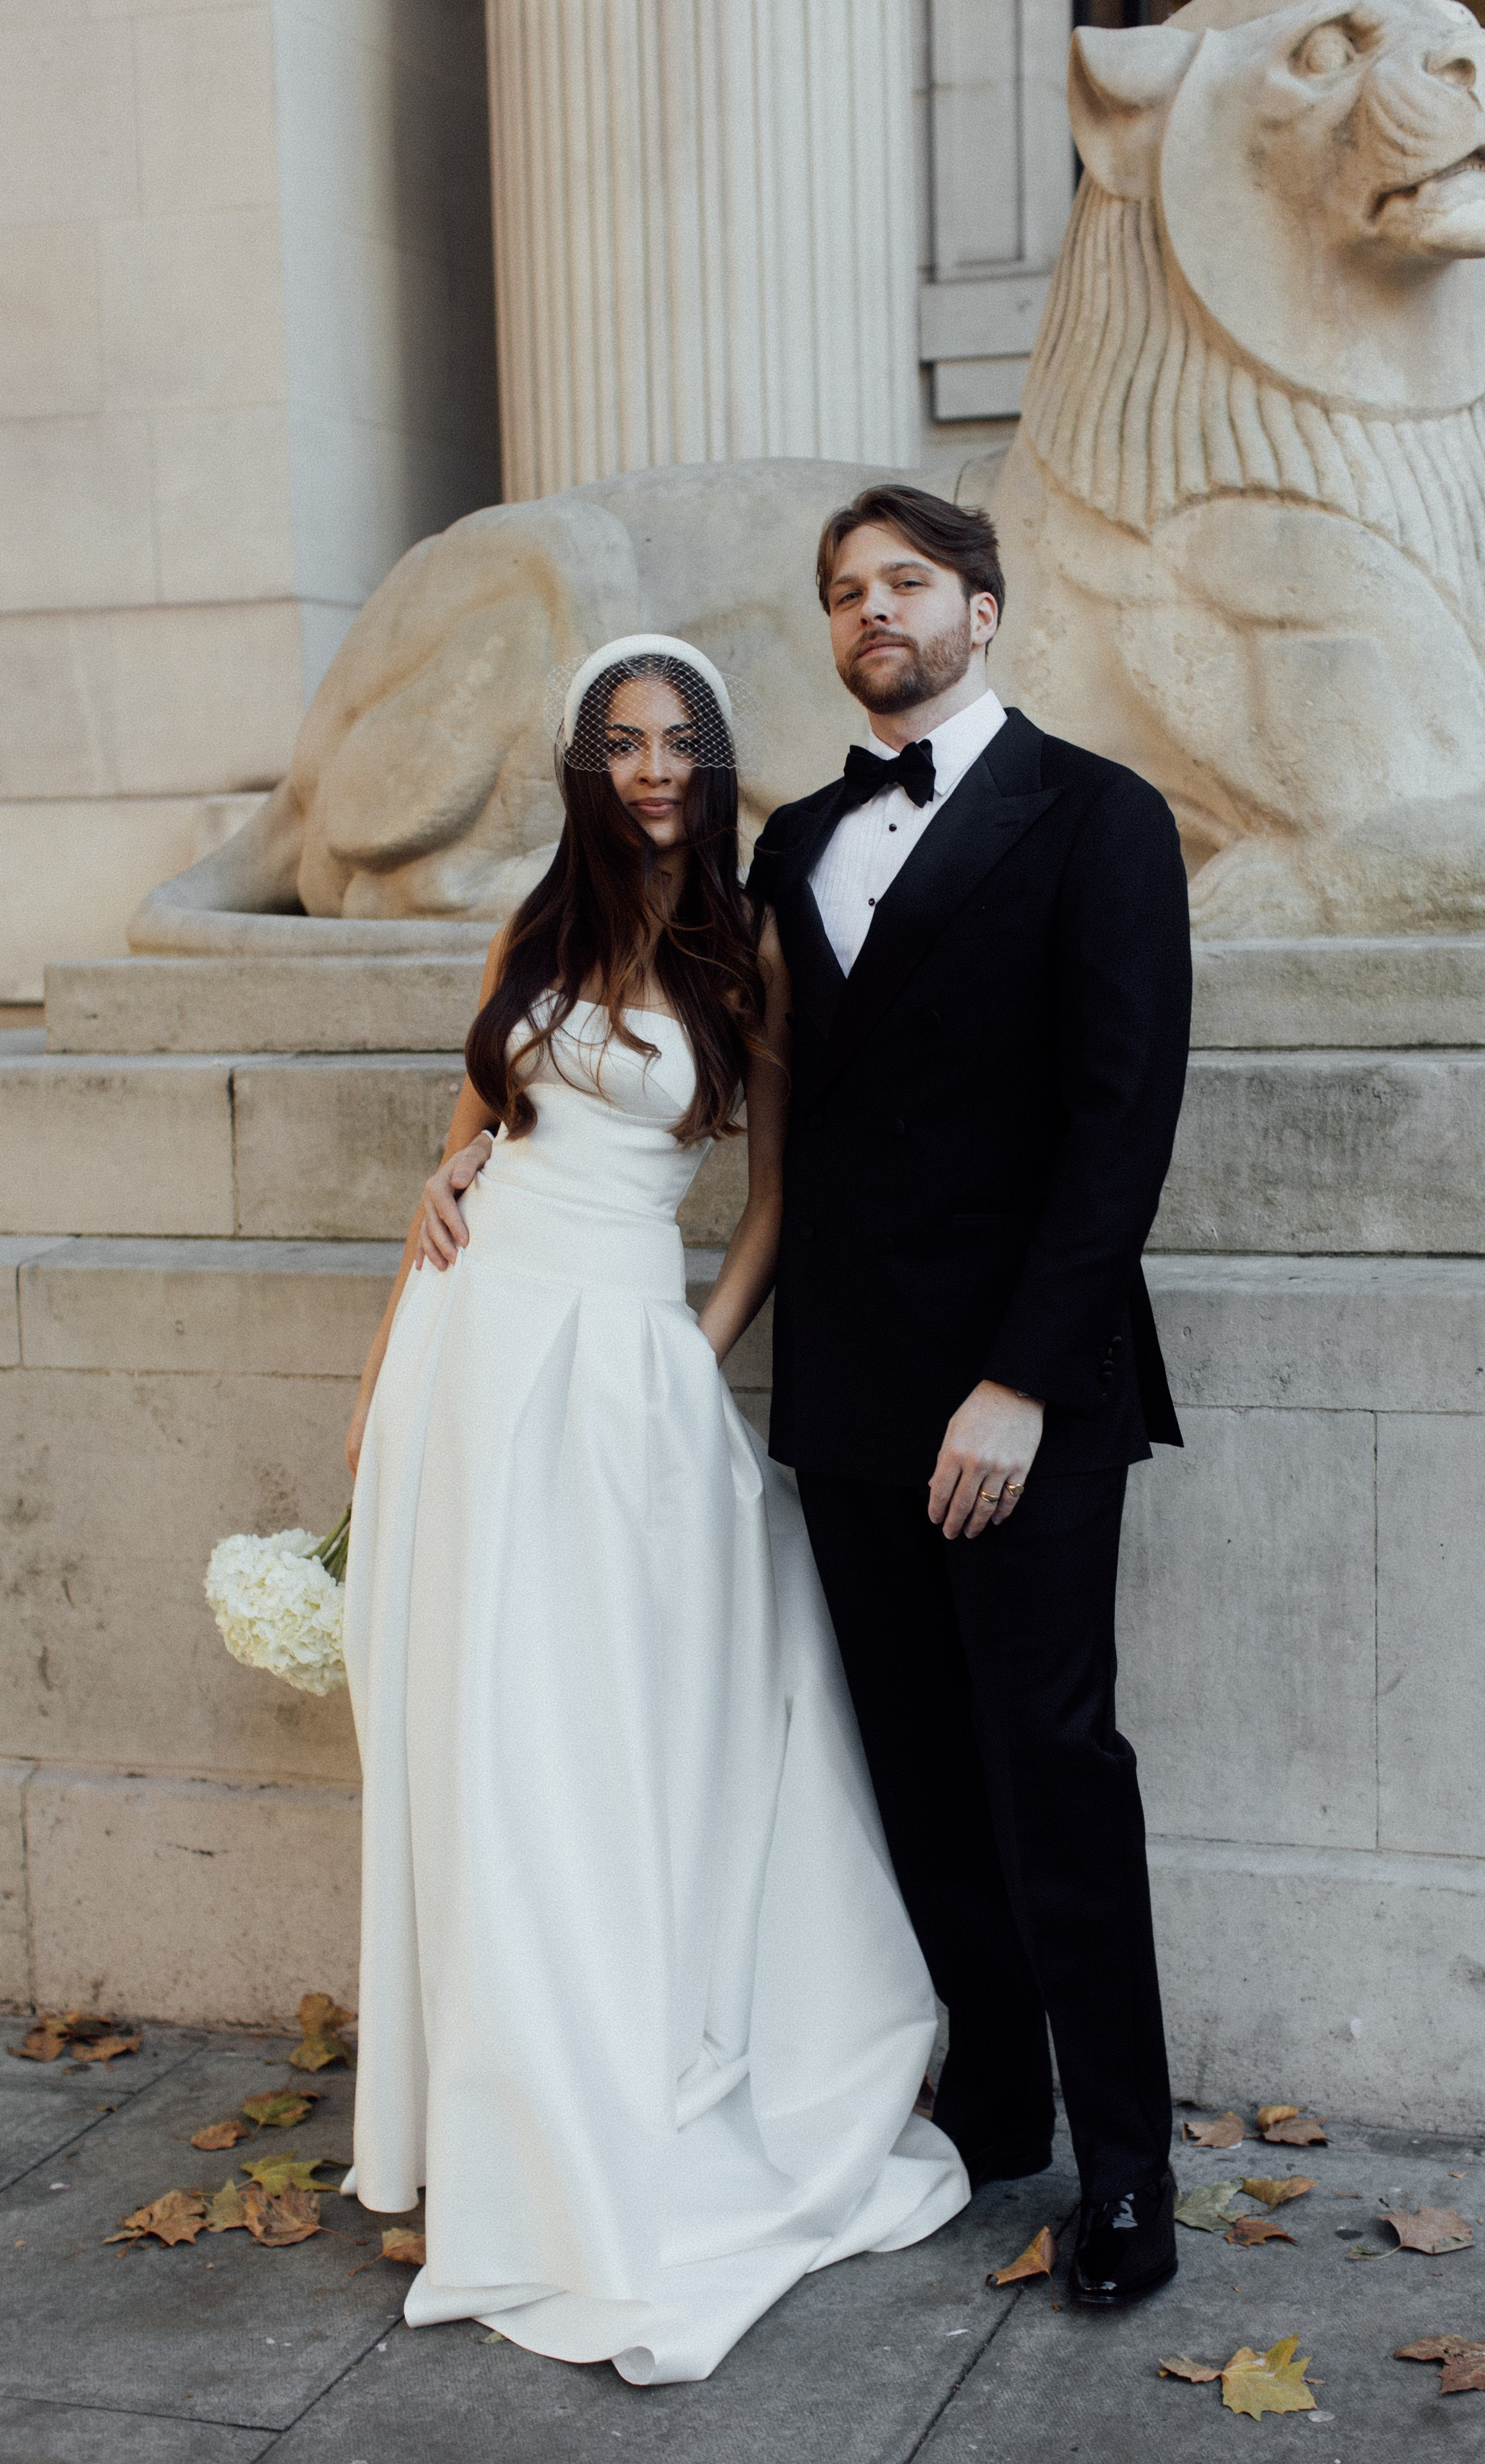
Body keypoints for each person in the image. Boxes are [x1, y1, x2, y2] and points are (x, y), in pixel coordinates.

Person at [339, 633, 967, 2388]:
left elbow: (772, 1201)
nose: (653, 767)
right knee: (480, 1727)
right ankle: (489, 2118)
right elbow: (464, 1144)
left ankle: (610, 2086)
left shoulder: (746, 942)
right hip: (475, 1349)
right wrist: (383, 1386)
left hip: (623, 1354)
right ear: (586, 767)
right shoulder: (535, 931)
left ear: (714, 758)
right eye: (622, 743)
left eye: (679, 740)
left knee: (594, 1734)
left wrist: (689, 1358)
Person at [747, 487, 1192, 2306]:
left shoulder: (1098, 815)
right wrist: (487, 1138)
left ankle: (1131, 2170)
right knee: (921, 1770)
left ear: (984, 609)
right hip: (851, 1383)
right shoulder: (791, 840)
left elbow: (1122, 1120)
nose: (875, 610)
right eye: (847, 591)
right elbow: (745, 1080)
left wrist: (1017, 1382)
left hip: (1025, 1387)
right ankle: (997, 2105)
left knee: (1054, 1769)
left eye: (909, 582)